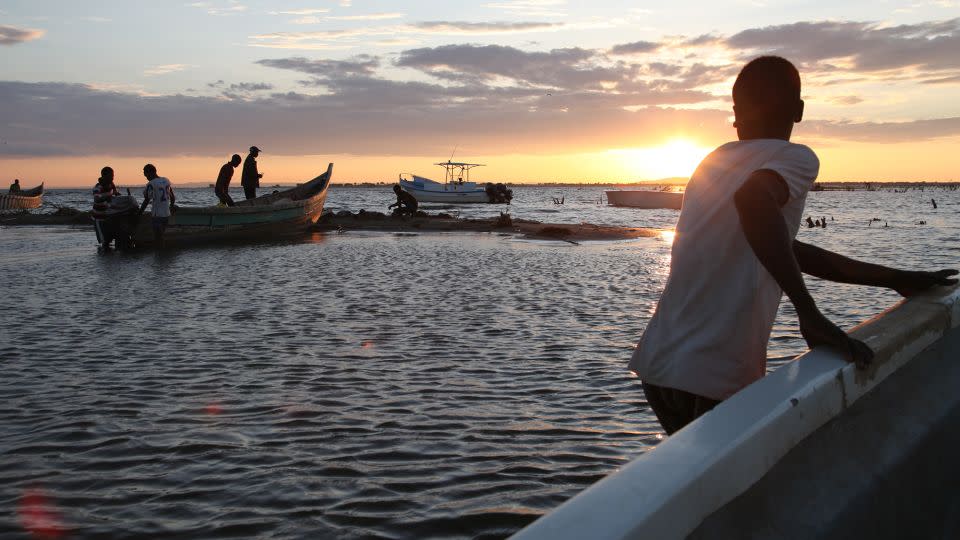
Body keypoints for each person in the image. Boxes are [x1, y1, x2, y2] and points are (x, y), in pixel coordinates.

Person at [629, 56, 957, 435]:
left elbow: (782, 248)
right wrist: (809, 312)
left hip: (659, 367)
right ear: (798, 111)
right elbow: (754, 203)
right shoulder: (795, 157)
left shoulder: (712, 162)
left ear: (736, 114)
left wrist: (895, 278)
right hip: (713, 371)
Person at [138, 164, 176, 247]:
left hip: (157, 215)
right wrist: (171, 206)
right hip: (166, 214)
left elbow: (147, 200)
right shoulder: (166, 180)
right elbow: (172, 197)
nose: (146, 177)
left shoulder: (151, 184)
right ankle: (161, 255)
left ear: (151, 172)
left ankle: (159, 255)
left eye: (146, 174)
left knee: (158, 237)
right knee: (161, 235)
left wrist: (139, 213)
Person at [92, 167, 120, 249]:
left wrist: (118, 195)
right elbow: (97, 198)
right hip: (99, 217)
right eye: (111, 175)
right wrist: (108, 196)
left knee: (110, 238)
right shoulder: (98, 187)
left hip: (109, 216)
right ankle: (104, 259)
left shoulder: (111, 184)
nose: (112, 177)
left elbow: (115, 193)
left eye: (113, 175)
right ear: (104, 176)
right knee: (104, 241)